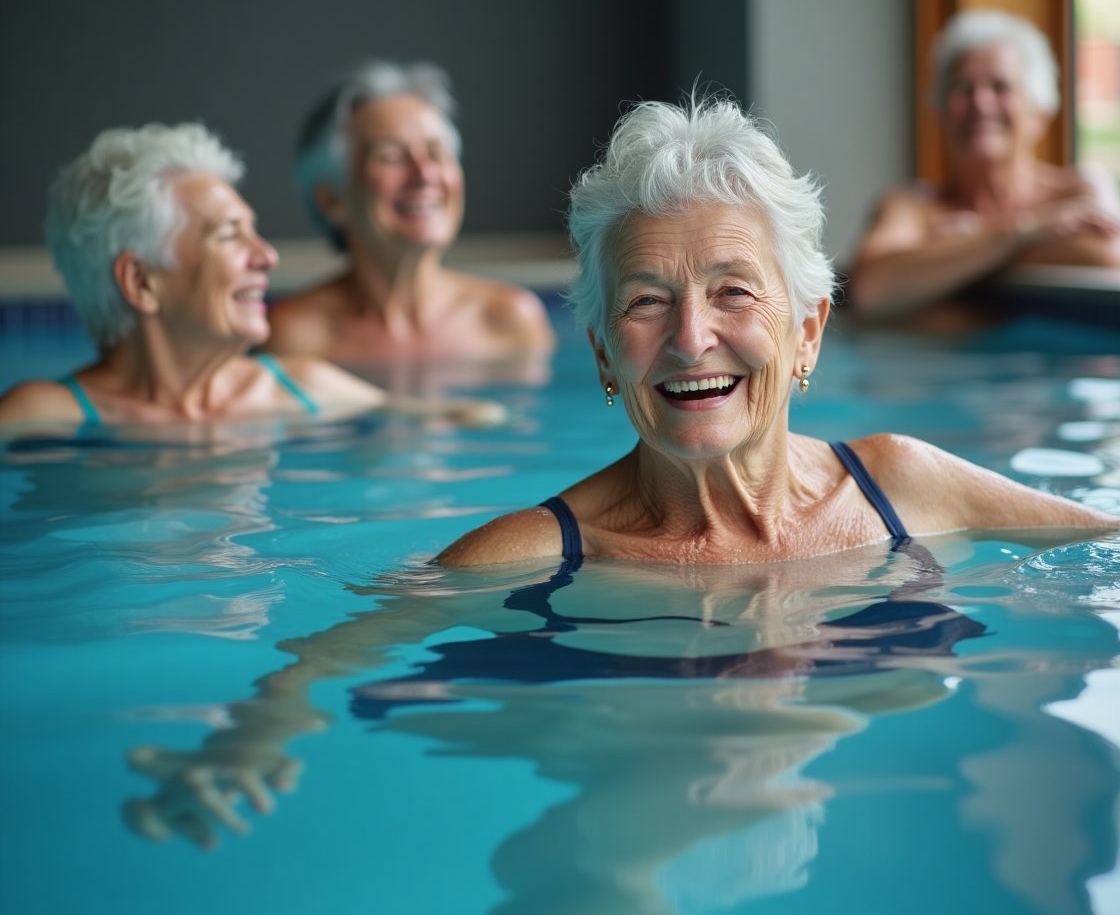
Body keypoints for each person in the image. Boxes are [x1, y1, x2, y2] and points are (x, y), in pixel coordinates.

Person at [432, 93, 1118, 567]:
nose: (690, 338)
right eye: (646, 301)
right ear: (603, 354)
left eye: (733, 292)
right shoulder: (523, 560)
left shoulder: (905, 489)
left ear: (809, 332)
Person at [0, 123, 505, 427]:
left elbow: (466, 417)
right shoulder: (39, 418)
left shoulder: (303, 389)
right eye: (229, 234)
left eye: (254, 231)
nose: (266, 256)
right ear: (141, 281)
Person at [263, 60, 556, 366]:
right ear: (332, 200)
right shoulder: (294, 338)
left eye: (436, 153)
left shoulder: (509, 321)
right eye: (391, 156)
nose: (424, 174)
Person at [846, 8, 1120, 325]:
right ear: (941, 112)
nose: (980, 103)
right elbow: (871, 290)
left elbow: (1108, 254)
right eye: (963, 88)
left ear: (1040, 116)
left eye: (1001, 87)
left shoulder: (1079, 188)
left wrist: (960, 248)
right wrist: (1019, 232)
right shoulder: (910, 205)